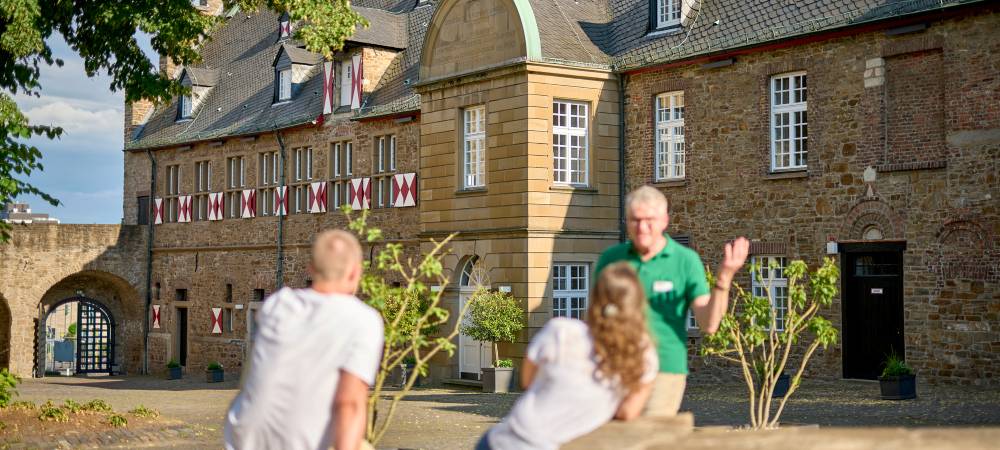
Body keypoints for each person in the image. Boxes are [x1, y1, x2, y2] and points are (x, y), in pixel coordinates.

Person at [593, 186, 749, 417]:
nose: (642, 228)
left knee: (652, 433)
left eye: (649, 220)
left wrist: (724, 278)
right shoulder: (611, 258)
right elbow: (594, 315)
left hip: (664, 368)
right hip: (614, 367)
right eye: (635, 220)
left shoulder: (685, 260)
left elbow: (708, 324)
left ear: (665, 220)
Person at [224, 230, 383, 450]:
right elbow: (349, 403)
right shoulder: (364, 319)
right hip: (300, 442)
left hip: (242, 437)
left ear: (311, 269)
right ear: (355, 272)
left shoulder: (277, 304)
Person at [477, 262, 657, 450]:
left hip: (505, 439)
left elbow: (527, 380)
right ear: (638, 306)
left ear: (594, 299)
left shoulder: (561, 331)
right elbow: (627, 412)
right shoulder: (644, 355)